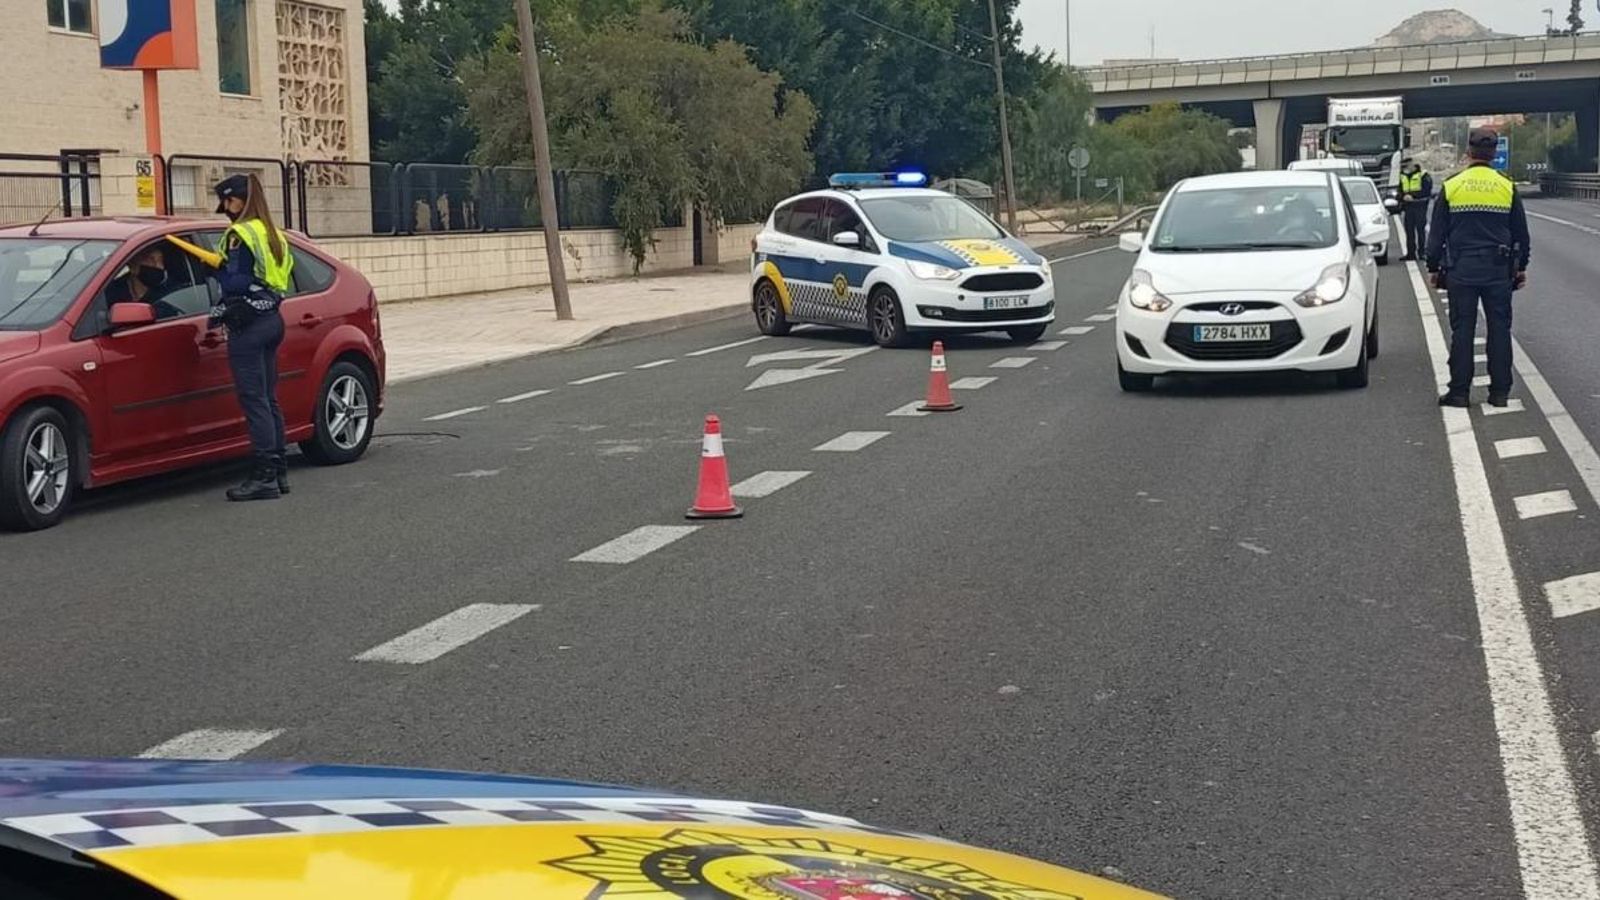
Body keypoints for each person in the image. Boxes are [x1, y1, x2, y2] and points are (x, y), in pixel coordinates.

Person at [1426, 128, 1530, 409]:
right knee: (1499, 329)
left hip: (1462, 268)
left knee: (1463, 331)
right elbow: (1521, 234)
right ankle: (1499, 394)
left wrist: (1434, 267)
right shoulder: (1506, 186)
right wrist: (1520, 268)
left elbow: (1436, 235)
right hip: (1498, 269)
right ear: (1494, 154)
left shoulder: (1453, 185)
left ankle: (1459, 393)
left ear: (1468, 153)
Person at [211, 173, 295, 500]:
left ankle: (264, 478)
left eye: (227, 202)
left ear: (238, 200)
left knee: (254, 400)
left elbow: (236, 282)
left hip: (248, 325)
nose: (225, 209)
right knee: (269, 399)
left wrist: (215, 267)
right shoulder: (272, 232)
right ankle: (279, 472)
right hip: (272, 318)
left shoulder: (240, 235)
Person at [1397, 157, 1433, 261]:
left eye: (1406, 166)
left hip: (1420, 206)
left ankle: (1422, 253)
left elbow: (1426, 191)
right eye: (1402, 167)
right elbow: (1398, 190)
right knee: (1409, 231)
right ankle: (1410, 254)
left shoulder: (1423, 175)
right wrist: (1402, 196)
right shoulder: (1402, 176)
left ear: (1412, 165)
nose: (1404, 168)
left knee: (1420, 231)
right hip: (1408, 207)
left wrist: (1413, 196)